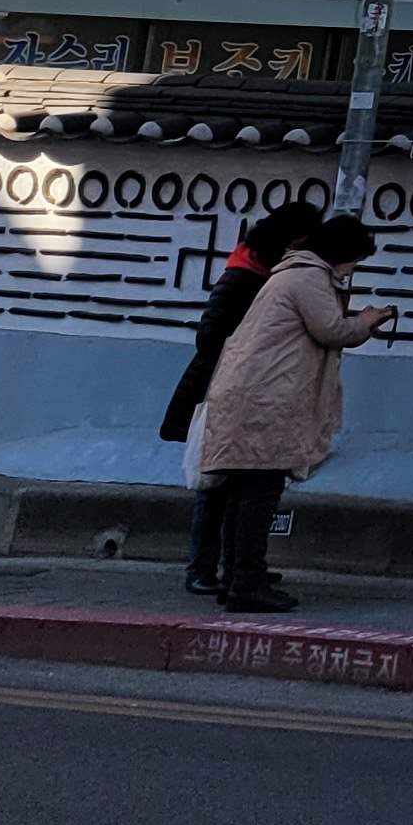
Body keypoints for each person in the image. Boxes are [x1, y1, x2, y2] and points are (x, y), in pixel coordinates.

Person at [190, 213, 395, 614]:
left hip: (251, 396)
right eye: (353, 262)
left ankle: (236, 578)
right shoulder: (308, 277)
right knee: (259, 493)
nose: (350, 271)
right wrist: (366, 320)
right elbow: (332, 330)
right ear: (341, 254)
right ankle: (246, 583)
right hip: (266, 401)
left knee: (242, 493)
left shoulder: (290, 273)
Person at [164, 200, 322, 595]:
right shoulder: (243, 275)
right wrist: (243, 359)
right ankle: (201, 569)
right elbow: (209, 335)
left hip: (242, 388)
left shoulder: (265, 274)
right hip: (219, 388)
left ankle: (234, 568)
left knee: (238, 485)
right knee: (214, 484)